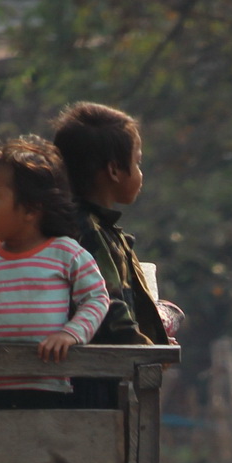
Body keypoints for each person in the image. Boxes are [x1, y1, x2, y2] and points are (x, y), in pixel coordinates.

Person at [0, 138, 109, 409]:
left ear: (31, 209)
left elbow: (96, 298)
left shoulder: (66, 252)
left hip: (48, 385)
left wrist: (70, 334)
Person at [50, 102, 173, 347]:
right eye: (137, 162)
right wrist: (146, 348)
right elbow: (107, 304)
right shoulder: (86, 230)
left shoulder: (91, 226)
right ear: (114, 170)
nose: (140, 172)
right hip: (89, 373)